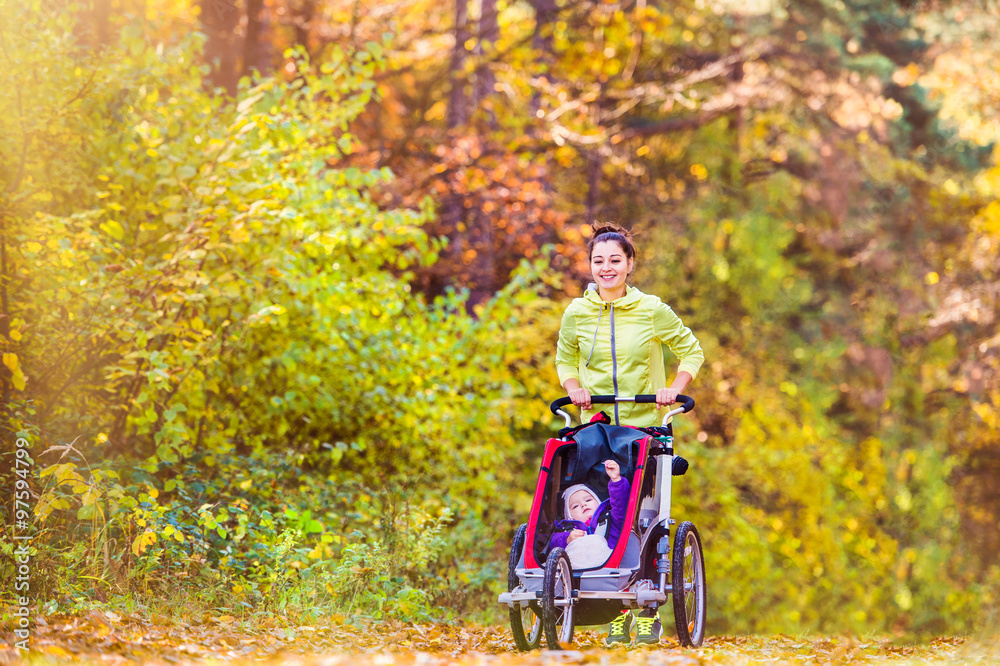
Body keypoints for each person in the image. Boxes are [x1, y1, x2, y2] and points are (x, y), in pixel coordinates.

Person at [555, 223, 704, 646]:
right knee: (597, 515)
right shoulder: (577, 313)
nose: (606, 268)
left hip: (644, 430)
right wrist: (574, 389)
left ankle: (645, 612)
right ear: (590, 265)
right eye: (598, 260)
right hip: (597, 430)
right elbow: (565, 360)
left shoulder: (652, 309)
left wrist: (673, 389)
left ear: (630, 263)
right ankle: (605, 606)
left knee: (641, 518)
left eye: (615, 260)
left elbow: (692, 351)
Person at [548, 460, 629, 569]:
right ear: (570, 517)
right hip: (577, 572)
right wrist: (567, 539)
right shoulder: (568, 531)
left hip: (609, 569)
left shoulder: (613, 520)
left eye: (588, 500)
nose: (583, 505)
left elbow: (620, 504)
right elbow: (553, 543)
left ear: (598, 502)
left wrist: (616, 480)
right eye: (575, 506)